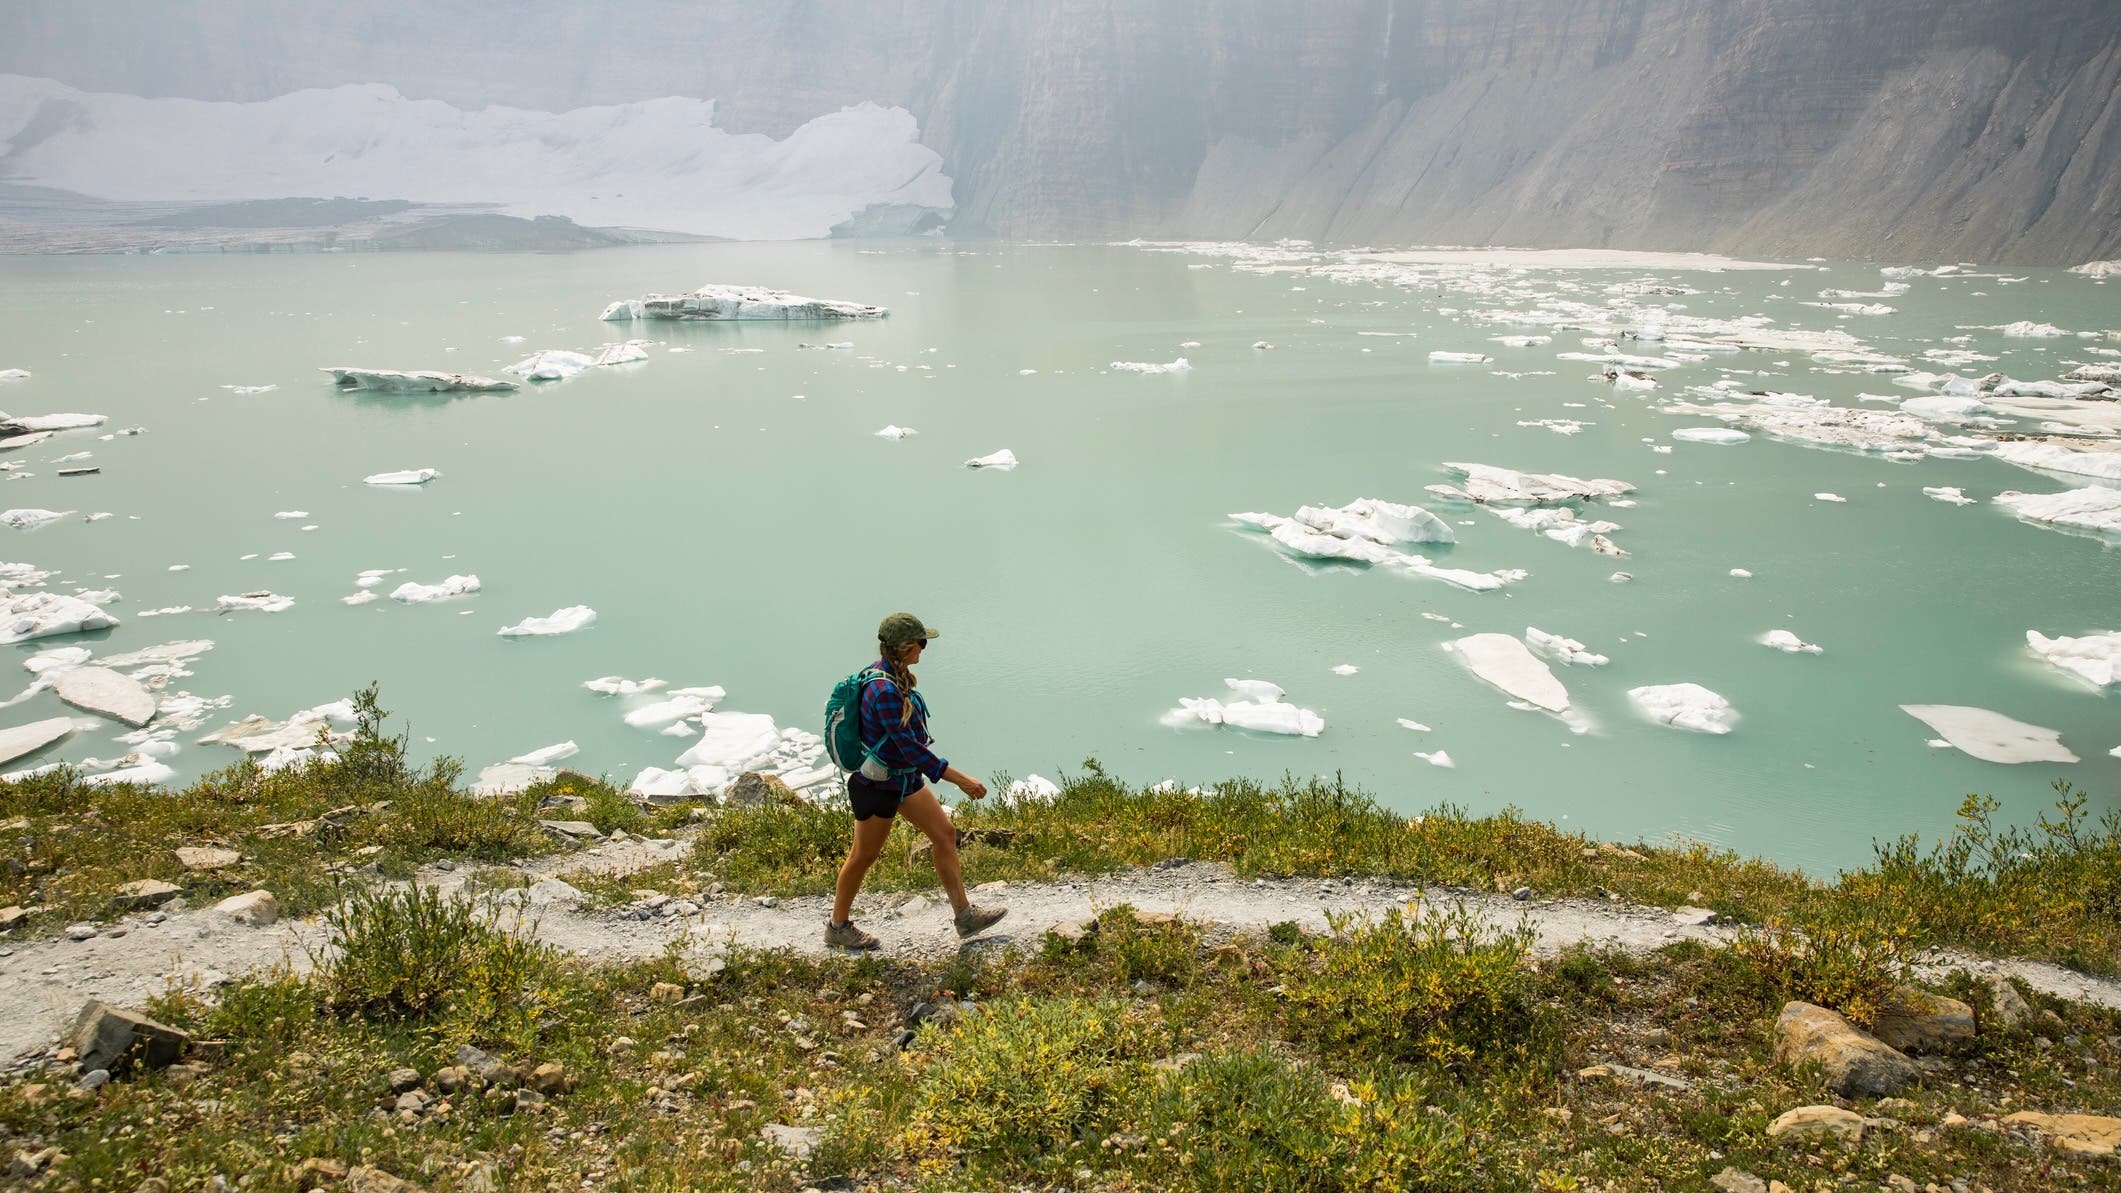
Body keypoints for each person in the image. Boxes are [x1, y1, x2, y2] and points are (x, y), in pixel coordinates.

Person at [826, 612, 1007, 949]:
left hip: (903, 780)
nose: (924, 650)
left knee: (945, 834)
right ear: (906, 647)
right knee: (863, 855)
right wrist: (959, 779)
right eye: (921, 644)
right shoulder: (884, 691)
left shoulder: (892, 677)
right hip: (879, 786)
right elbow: (908, 748)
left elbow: (907, 751)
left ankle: (965, 917)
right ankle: (838, 927)